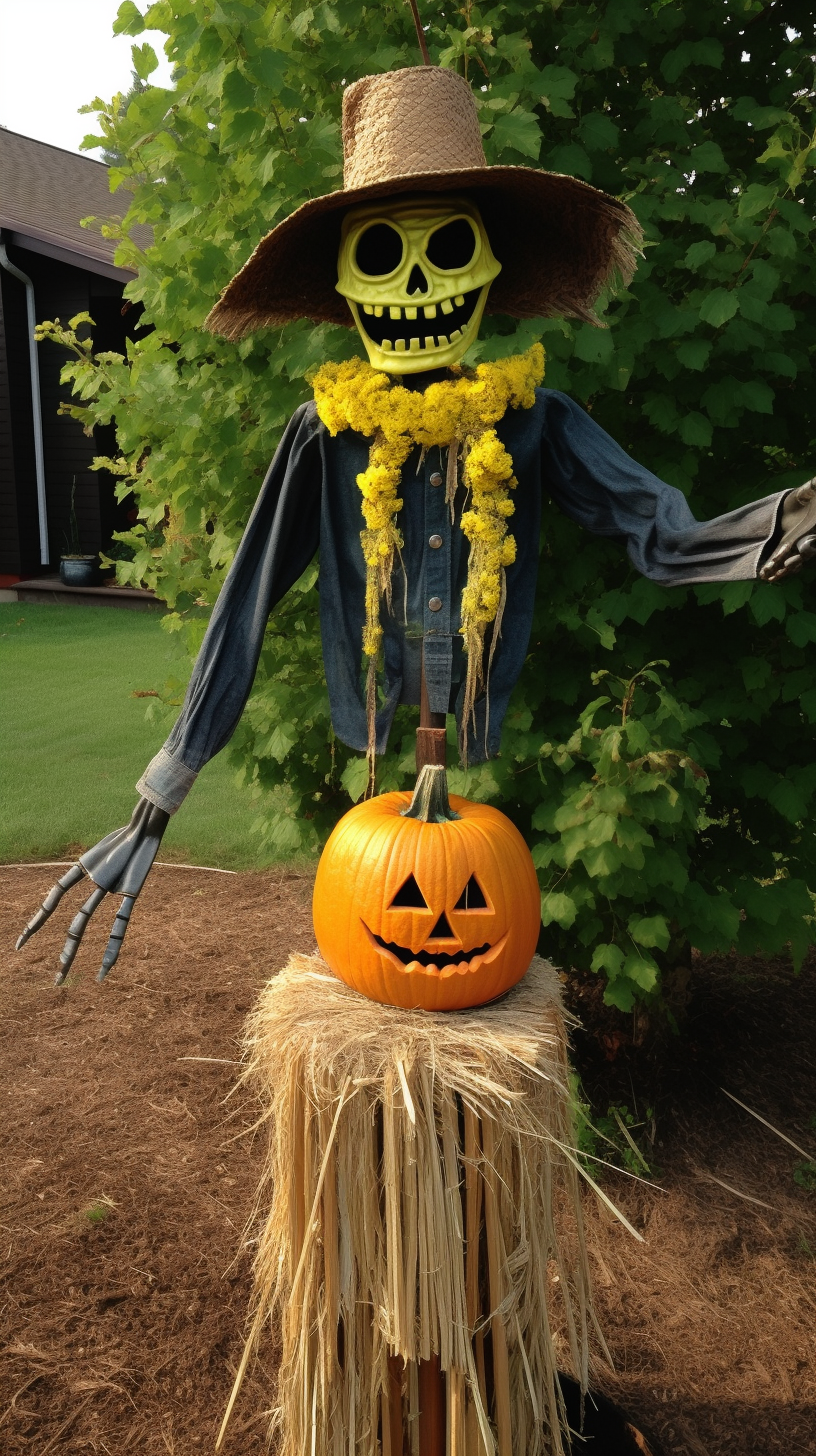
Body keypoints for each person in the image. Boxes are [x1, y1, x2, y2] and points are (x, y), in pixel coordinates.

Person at [17, 65, 816, 982]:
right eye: (383, 255)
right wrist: (161, 793)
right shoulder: (326, 429)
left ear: (488, 269)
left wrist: (773, 530)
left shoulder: (535, 418)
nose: (418, 285)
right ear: (348, 288)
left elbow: (659, 533)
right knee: (383, 894)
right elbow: (247, 600)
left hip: (468, 714)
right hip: (377, 725)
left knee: (461, 884)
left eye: (445, 250)